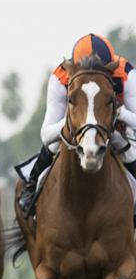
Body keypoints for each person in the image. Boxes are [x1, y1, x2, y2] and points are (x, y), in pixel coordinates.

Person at [17, 33, 136, 216]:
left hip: (111, 125)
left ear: (111, 68)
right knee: (56, 142)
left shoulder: (126, 73)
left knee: (125, 145)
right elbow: (47, 134)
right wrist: (70, 124)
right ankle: (31, 189)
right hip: (76, 126)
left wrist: (120, 113)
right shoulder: (59, 78)